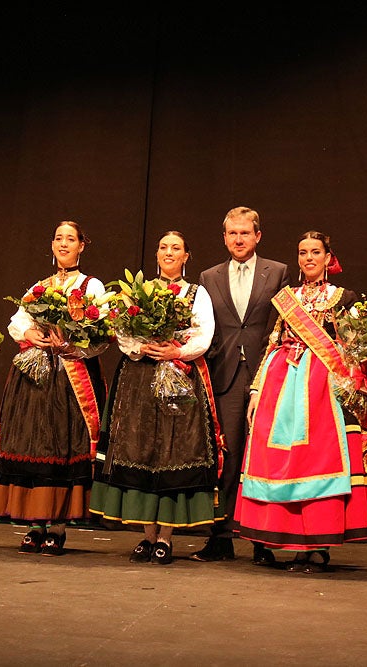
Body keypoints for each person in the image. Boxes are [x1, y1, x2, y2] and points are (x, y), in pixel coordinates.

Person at [235, 231, 367, 573]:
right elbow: (272, 341)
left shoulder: (342, 298)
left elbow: (354, 344)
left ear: (328, 257)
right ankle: (284, 537)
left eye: (315, 252)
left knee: (316, 461)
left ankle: (316, 546)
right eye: (303, 252)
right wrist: (257, 390)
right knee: (283, 459)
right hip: (281, 382)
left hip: (323, 387)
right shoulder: (286, 297)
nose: (308, 258)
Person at [89, 231, 222, 565]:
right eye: (163, 247)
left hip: (178, 375)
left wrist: (175, 350)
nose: (169, 252)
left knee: (170, 452)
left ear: (186, 256)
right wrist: (141, 347)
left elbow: (204, 334)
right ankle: (148, 536)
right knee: (142, 449)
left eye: (176, 248)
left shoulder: (197, 293)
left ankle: (166, 538)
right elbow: (123, 331)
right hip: (139, 376)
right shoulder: (139, 291)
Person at [0, 221, 108, 555]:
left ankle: (58, 526)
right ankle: (33, 523)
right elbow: (18, 321)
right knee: (33, 441)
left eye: (71, 239)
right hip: (37, 374)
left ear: (82, 245)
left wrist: (69, 344)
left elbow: (100, 333)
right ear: (52, 245)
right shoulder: (39, 287)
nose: (64, 244)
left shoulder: (91, 285)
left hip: (69, 375)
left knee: (61, 444)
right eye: (58, 238)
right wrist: (31, 336)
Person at [194, 206, 289, 564]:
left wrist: (268, 365)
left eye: (245, 233)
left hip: (267, 375)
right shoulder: (208, 276)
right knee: (227, 459)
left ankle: (262, 541)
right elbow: (205, 326)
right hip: (226, 376)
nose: (238, 239)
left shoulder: (277, 272)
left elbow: (278, 325)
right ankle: (221, 537)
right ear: (224, 237)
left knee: (263, 460)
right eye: (232, 233)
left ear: (257, 236)